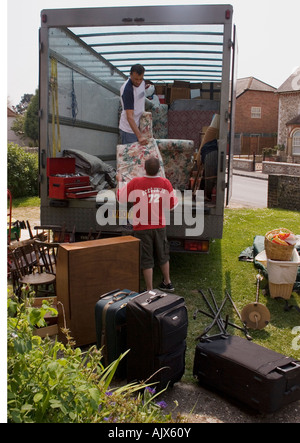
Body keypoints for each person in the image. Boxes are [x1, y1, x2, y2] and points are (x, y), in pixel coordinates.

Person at [117, 157, 178, 292]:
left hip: (142, 227)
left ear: (144, 168)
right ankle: (167, 282)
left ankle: (149, 290)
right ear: (159, 169)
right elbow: (172, 206)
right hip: (160, 226)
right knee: (163, 255)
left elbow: (121, 198)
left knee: (146, 258)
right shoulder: (165, 182)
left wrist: (119, 183)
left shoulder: (136, 182)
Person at [119, 64, 148, 146]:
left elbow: (139, 94)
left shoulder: (142, 82)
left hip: (139, 125)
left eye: (140, 79)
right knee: (131, 157)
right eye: (136, 79)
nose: (138, 82)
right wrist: (139, 137)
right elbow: (129, 117)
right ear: (130, 75)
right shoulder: (127, 90)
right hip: (129, 130)